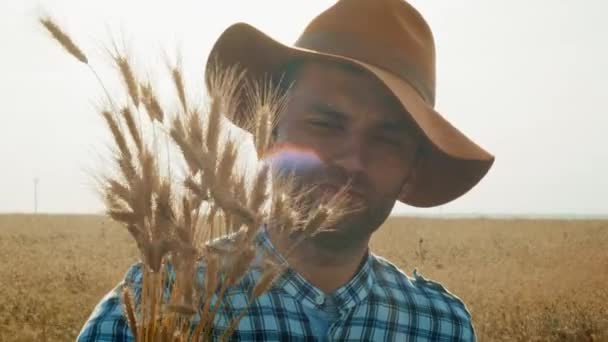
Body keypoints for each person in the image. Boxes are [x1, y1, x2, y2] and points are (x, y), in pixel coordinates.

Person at [77, 0, 494, 340]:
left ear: (412, 170)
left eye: (386, 139)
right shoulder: (156, 310)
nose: (352, 159)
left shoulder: (441, 326)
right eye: (326, 125)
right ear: (268, 136)